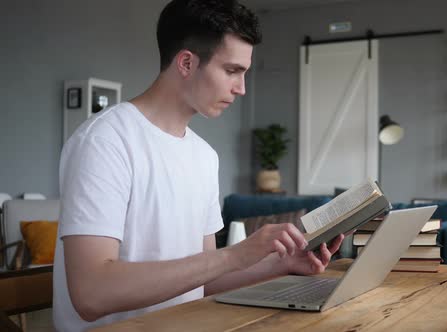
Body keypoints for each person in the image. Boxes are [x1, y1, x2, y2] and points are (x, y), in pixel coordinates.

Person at [52, 0, 344, 330]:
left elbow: (203, 282)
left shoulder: (204, 156)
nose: (242, 88)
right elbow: (91, 294)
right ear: (187, 63)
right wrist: (234, 254)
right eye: (232, 71)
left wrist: (283, 264)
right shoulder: (105, 141)